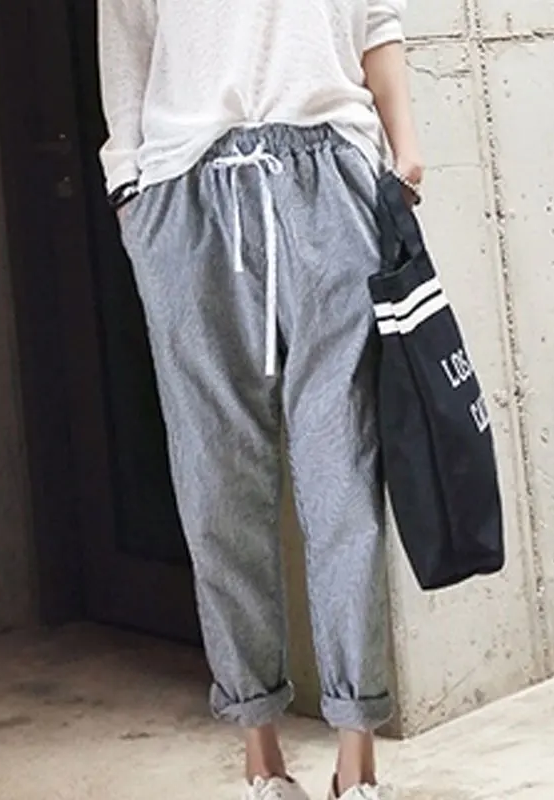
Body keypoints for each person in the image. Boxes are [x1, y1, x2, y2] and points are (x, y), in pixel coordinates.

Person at [98, 1, 423, 797]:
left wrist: (404, 149)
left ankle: (357, 762)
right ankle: (261, 757)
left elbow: (378, 18)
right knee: (216, 484)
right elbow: (127, 39)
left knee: (344, 471)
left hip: (330, 181)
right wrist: (130, 188)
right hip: (186, 192)